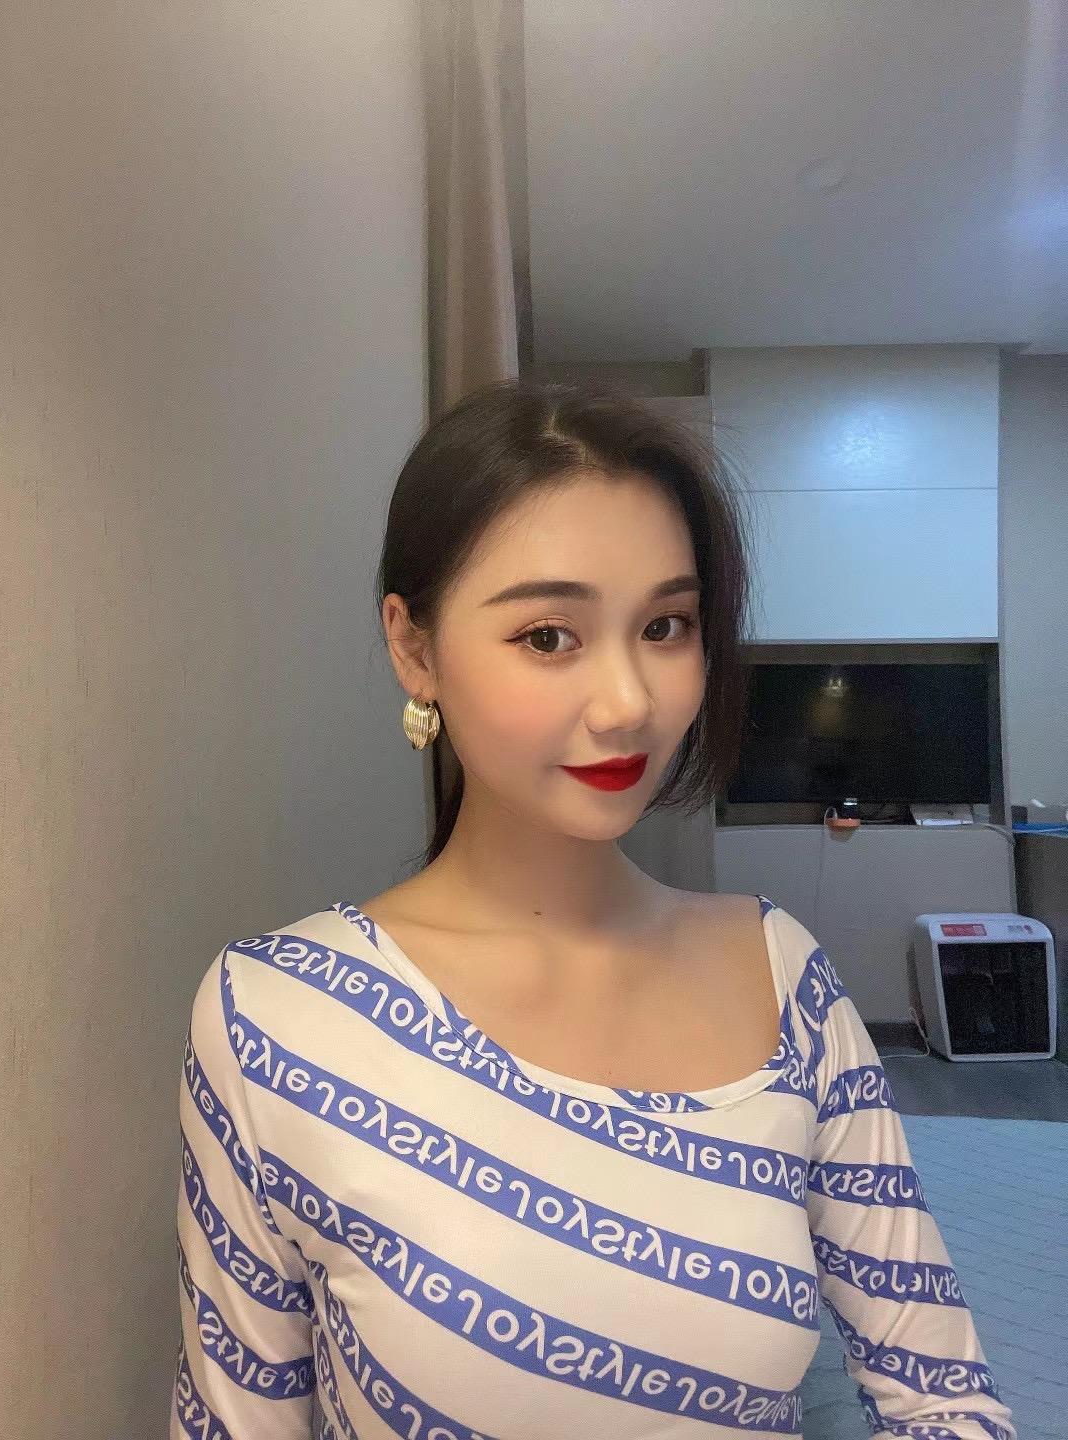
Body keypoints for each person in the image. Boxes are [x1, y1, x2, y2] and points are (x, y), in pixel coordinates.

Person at [171, 380, 1015, 1439]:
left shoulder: (780, 974)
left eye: (665, 625)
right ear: (414, 648)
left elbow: (945, 1398)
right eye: (547, 636)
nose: (628, 703)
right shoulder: (276, 1016)